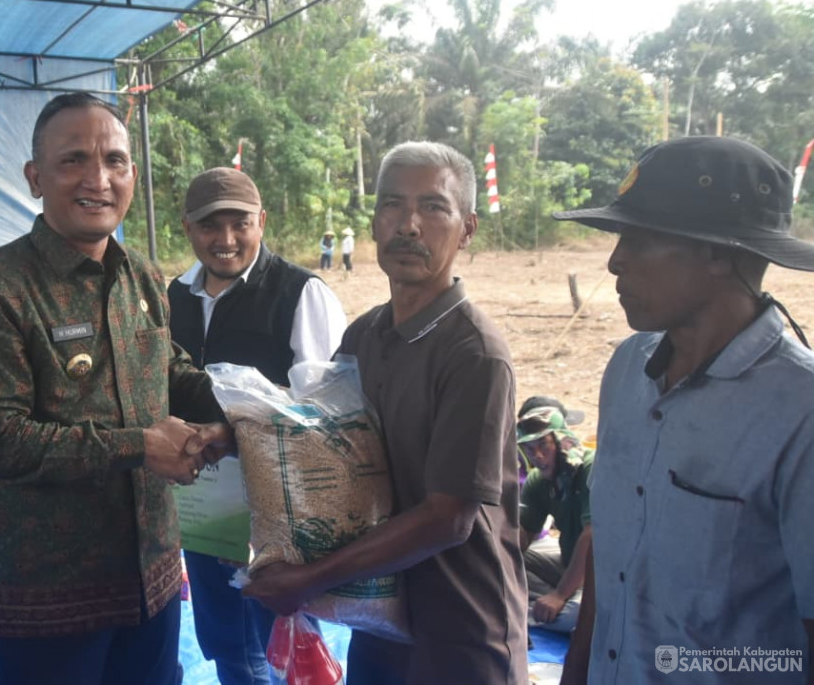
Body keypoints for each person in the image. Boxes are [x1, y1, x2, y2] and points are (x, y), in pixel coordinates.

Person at [0, 91, 231, 685]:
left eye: (115, 161)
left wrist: (249, 409)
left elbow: (166, 370)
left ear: (131, 174)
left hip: (149, 578)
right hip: (47, 595)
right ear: (35, 177)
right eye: (73, 160)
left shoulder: (144, 276)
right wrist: (142, 447)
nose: (97, 179)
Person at [244, 141, 528, 684]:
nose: (409, 225)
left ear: (467, 229)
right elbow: (322, 443)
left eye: (434, 207)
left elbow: (448, 518)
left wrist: (308, 578)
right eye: (393, 205)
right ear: (374, 222)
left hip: (459, 629)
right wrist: (233, 437)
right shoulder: (364, 333)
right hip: (376, 613)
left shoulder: (474, 353)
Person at [555, 136, 814, 684]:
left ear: (720, 252)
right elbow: (611, 552)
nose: (614, 259)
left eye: (641, 238)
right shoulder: (628, 369)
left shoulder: (799, 413)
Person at [169, 167, 347, 685]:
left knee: (285, 647)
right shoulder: (170, 298)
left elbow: (330, 414)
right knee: (227, 644)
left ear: (262, 221)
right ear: (187, 228)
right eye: (210, 226)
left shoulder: (301, 293)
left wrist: (240, 435)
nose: (225, 240)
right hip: (201, 509)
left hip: (280, 517)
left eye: (239, 223)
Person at [517, 406, 592, 634]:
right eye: (529, 449)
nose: (537, 456)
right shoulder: (537, 481)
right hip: (568, 567)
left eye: (543, 446)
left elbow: (592, 535)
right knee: (504, 564)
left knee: (577, 614)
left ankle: (530, 611)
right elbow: (520, 541)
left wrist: (560, 594)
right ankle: (542, 609)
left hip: (602, 577)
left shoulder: (590, 468)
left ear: (561, 442)